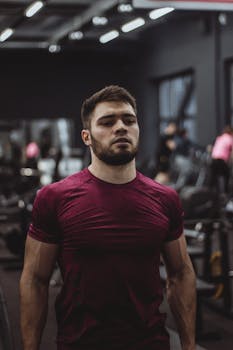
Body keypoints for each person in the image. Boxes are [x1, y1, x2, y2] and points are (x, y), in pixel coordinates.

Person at [20, 85, 196, 350]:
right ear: (86, 136)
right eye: (107, 122)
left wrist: (189, 345)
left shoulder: (165, 199)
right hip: (80, 343)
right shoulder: (54, 197)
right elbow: (35, 280)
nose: (121, 127)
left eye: (129, 120)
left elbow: (181, 274)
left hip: (151, 342)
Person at [209, 125, 233, 194]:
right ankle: (225, 193)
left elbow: (213, 148)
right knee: (226, 175)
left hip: (213, 159)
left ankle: (213, 193)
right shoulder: (230, 138)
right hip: (221, 160)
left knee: (214, 177)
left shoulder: (219, 138)